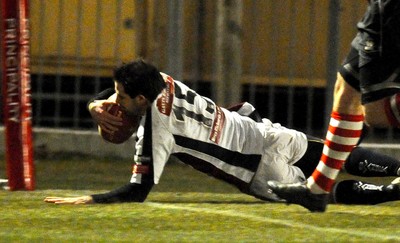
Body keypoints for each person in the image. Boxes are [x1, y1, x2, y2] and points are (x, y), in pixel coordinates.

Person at [45, 59, 400, 206]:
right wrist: (96, 105)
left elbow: (138, 191)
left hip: (258, 171)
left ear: (140, 97)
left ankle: (391, 195)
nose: (116, 101)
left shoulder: (156, 128)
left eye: (121, 96)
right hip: (265, 133)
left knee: (326, 192)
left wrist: (91, 199)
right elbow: (124, 93)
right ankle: (397, 170)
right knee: (336, 154)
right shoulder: (163, 81)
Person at [268, 0, 400, 212]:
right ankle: (317, 190)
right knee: (347, 90)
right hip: (379, 11)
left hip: (391, 10)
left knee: (374, 112)